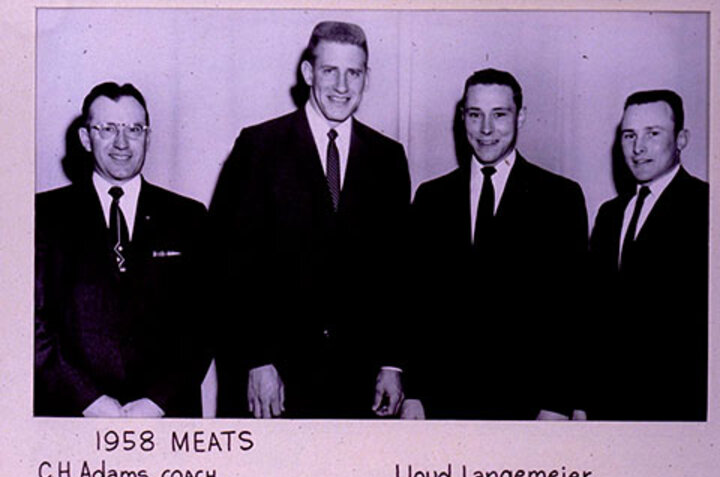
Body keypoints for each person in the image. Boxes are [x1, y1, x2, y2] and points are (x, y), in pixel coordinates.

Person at [209, 21, 411, 418]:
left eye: (353, 73)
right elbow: (225, 266)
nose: (341, 85)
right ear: (307, 73)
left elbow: (398, 271)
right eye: (329, 71)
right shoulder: (258, 147)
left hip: (359, 388)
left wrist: (393, 363)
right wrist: (256, 359)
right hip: (273, 385)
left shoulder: (388, 157)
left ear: (366, 78)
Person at [410, 68, 588, 420]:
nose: (486, 129)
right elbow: (416, 301)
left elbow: (573, 308)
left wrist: (556, 404)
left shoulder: (560, 198)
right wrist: (414, 394)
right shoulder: (431, 197)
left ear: (520, 116)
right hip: (444, 405)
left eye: (499, 115)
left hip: (527, 407)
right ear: (462, 118)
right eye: (475, 115)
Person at [35, 82, 210, 417]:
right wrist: (88, 401)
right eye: (108, 129)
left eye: (133, 129)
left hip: (165, 417)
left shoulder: (188, 217)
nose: (121, 142)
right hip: (72, 416)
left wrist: (156, 402)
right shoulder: (43, 215)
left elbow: (203, 320)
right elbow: (33, 323)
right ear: (86, 139)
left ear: (148, 136)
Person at [588, 90, 708, 421]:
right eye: (629, 135)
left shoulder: (706, 206)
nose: (638, 148)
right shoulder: (610, 214)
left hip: (675, 408)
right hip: (607, 407)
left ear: (682, 138)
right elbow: (593, 315)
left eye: (653, 134)